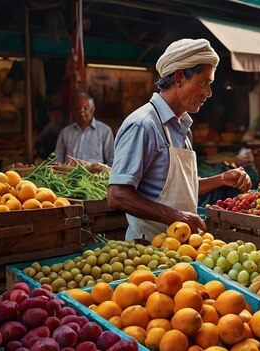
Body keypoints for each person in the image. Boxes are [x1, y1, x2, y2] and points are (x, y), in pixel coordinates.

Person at [107, 38, 251, 240]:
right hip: (148, 249)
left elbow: (183, 189)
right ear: (179, 78)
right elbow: (117, 195)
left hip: (181, 248)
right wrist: (176, 217)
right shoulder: (143, 125)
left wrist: (221, 179)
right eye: (203, 83)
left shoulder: (182, 126)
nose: (208, 93)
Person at [54, 93, 114, 165]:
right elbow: (58, 159)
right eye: (78, 108)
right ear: (73, 110)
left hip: (95, 175)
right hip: (69, 175)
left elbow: (111, 159)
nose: (81, 111)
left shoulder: (105, 131)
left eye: (86, 108)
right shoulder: (65, 132)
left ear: (92, 109)